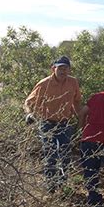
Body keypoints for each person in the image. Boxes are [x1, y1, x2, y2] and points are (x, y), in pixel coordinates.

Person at [24, 56, 82, 193]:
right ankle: (50, 187)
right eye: (60, 68)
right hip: (47, 123)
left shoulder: (73, 82)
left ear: (69, 69)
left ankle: (62, 187)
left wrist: (80, 118)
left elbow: (77, 101)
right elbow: (28, 102)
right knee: (50, 156)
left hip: (64, 124)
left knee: (65, 156)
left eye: (65, 68)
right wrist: (29, 114)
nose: (63, 71)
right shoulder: (44, 83)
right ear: (53, 69)